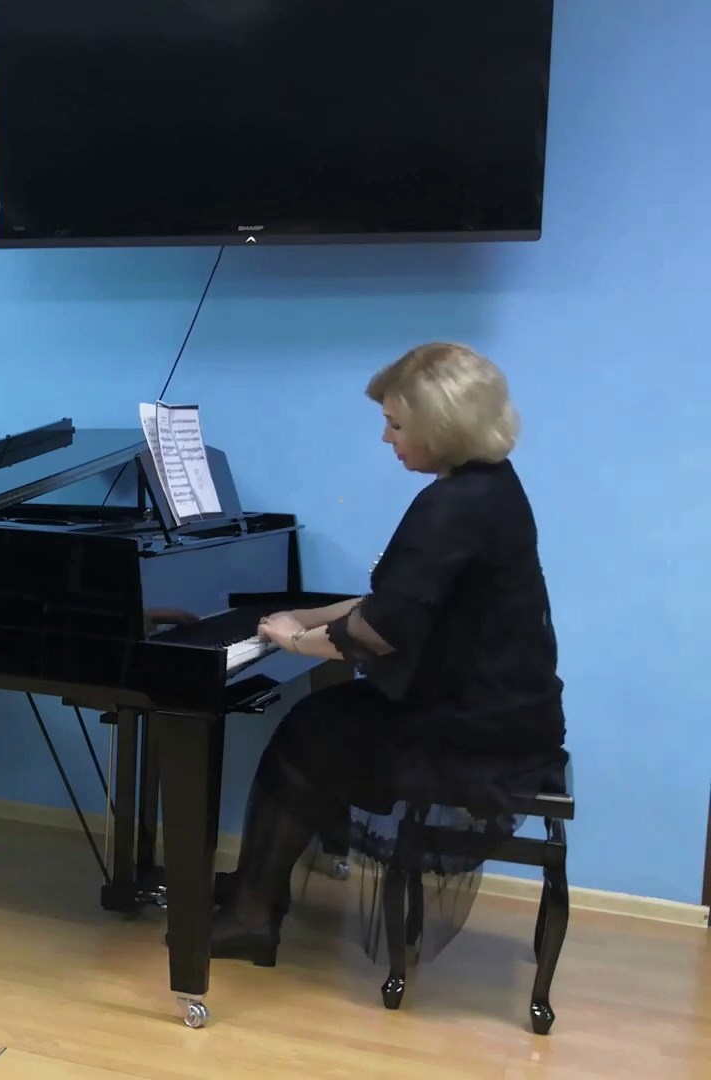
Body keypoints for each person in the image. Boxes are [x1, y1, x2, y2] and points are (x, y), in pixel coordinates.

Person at [213, 341, 567, 965]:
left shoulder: (451, 506)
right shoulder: (489, 485)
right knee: (320, 721)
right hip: (509, 710)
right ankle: (256, 887)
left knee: (307, 731)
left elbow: (379, 631)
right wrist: (304, 616)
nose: (385, 438)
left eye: (396, 425)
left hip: (472, 730)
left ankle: (252, 913)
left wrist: (290, 639)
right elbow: (399, 600)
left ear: (441, 423)